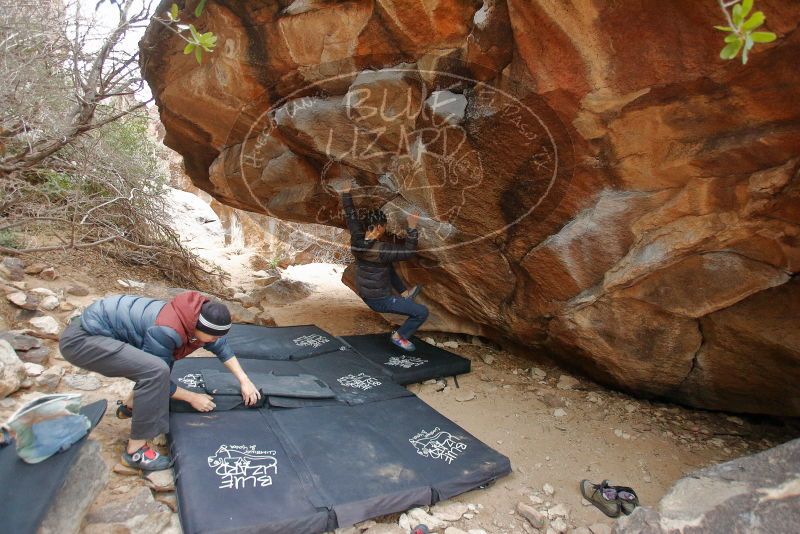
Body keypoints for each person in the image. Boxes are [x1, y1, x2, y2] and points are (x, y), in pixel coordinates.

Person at [58, 291, 261, 471]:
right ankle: (136, 451)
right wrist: (192, 397)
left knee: (156, 366)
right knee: (156, 371)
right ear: (196, 327)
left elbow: (220, 345)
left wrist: (244, 380)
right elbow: (157, 375)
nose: (212, 342)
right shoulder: (167, 329)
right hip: (82, 340)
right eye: (209, 338)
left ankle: (131, 406)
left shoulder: (193, 315)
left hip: (100, 331)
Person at [339, 181, 428, 351]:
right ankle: (399, 336)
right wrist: (412, 227)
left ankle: (404, 293)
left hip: (366, 293)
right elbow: (408, 252)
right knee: (422, 312)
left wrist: (346, 193)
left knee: (387, 266)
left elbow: (350, 214)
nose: (385, 230)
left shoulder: (356, 236)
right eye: (384, 228)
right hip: (380, 300)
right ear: (379, 227)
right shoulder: (382, 250)